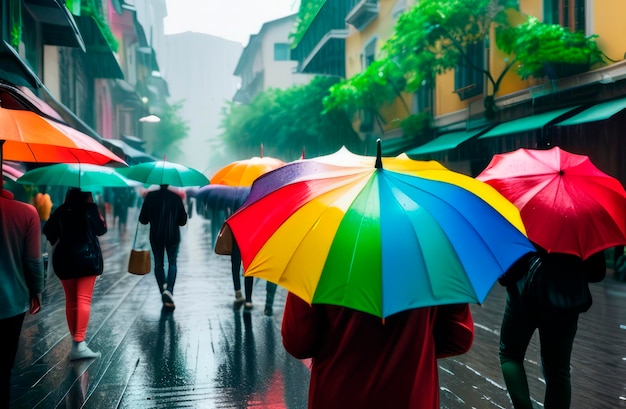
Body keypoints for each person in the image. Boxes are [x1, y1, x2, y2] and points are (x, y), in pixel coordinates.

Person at [281, 293, 474, 408]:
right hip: (412, 396)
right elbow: (459, 337)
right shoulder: (434, 254)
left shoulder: (318, 252)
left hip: (338, 395)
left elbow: (298, 341)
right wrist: (416, 344)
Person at [498, 244, 606, 408]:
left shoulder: (521, 218)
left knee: (510, 355)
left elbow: (507, 270)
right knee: (558, 371)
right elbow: (597, 273)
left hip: (523, 294)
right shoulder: (586, 223)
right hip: (565, 301)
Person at [43, 188, 106, 361]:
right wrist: (93, 207)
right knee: (83, 299)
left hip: (64, 260)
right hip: (87, 259)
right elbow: (101, 230)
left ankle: (76, 343)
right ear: (88, 195)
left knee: (71, 300)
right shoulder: (90, 209)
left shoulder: (62, 210)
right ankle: (79, 344)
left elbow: (49, 231)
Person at [0, 188, 45, 406]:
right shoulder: (26, 213)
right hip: (11, 302)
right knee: (4, 367)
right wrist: (37, 291)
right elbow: (33, 261)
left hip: (13, 302)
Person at [138, 184, 188, 309]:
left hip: (156, 235)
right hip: (173, 236)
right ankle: (169, 290)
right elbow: (183, 221)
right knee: (172, 263)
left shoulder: (150, 197)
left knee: (158, 264)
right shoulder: (176, 197)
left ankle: (163, 291)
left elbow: (143, 219)